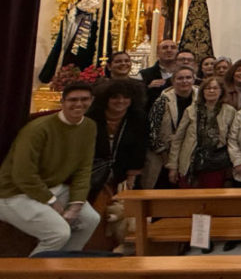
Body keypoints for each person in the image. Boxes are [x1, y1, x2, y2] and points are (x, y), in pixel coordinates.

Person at [0, 83, 100, 255]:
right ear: (62, 102)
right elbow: (22, 174)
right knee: (58, 233)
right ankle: (34, 278)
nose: (79, 104)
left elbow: (83, 169)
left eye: (84, 99)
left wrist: (76, 204)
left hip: (52, 187)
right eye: (73, 100)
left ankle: (63, 269)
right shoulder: (38, 129)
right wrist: (51, 202)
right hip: (13, 193)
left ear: (92, 101)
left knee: (90, 219)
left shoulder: (89, 126)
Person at [85, 78, 147, 243]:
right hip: (95, 174)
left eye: (125, 97)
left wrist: (132, 176)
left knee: (126, 214)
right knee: (98, 213)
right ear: (106, 98)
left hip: (125, 175)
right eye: (115, 97)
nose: (121, 101)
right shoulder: (92, 117)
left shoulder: (137, 118)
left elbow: (139, 149)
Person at [166, 76, 238, 188]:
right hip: (190, 162)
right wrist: (173, 167)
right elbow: (178, 139)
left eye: (215, 88)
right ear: (202, 91)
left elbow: (233, 140)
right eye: (208, 88)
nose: (211, 91)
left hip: (217, 164)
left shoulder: (230, 111)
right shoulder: (191, 110)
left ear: (221, 91)